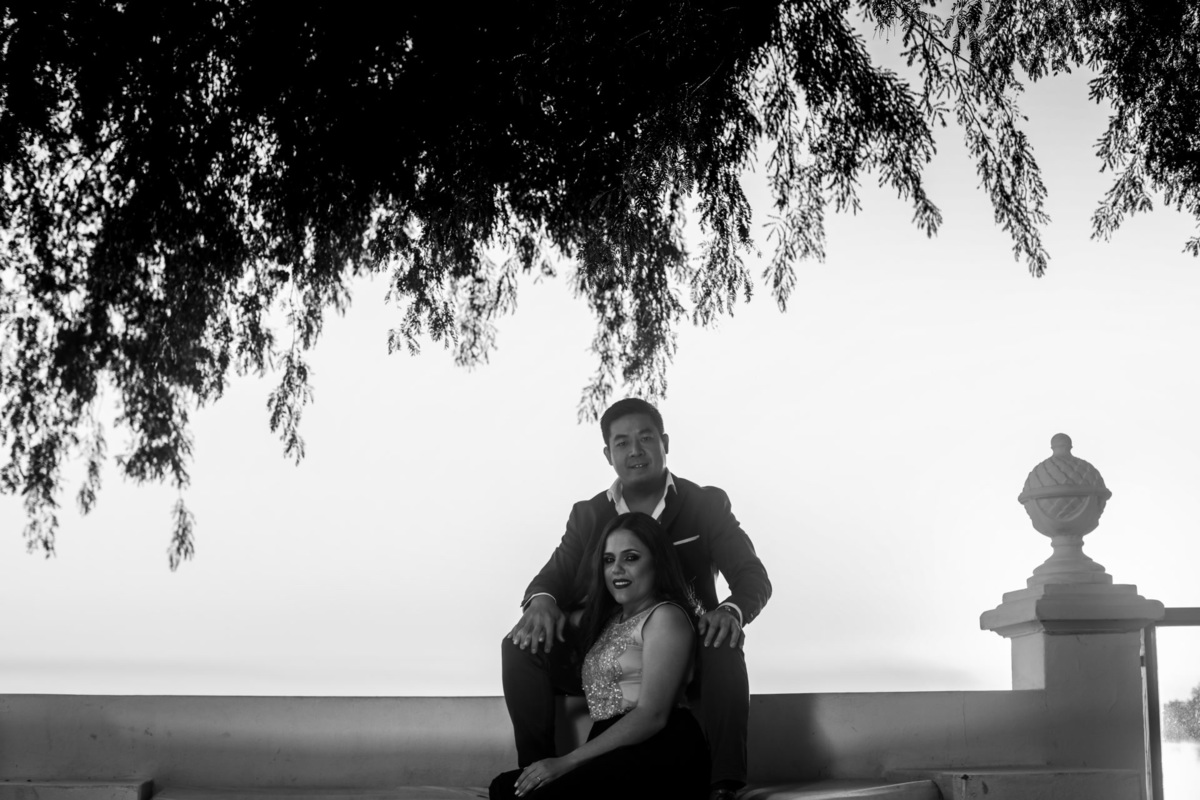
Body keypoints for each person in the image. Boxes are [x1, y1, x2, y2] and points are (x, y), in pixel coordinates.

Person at [502, 398, 771, 800]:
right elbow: (552, 576)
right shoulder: (588, 514)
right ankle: (534, 774)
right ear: (608, 454)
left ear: (665, 443)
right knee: (520, 644)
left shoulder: (705, 504)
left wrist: (730, 611)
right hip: (607, 649)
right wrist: (542, 600)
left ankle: (724, 783)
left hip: (681, 647)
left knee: (722, 639)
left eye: (645, 438)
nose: (635, 451)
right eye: (622, 442)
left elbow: (752, 577)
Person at [490, 513, 710, 799]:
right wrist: (543, 601)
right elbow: (547, 622)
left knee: (528, 794)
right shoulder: (606, 621)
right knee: (505, 787)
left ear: (657, 561)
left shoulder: (666, 616)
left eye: (631, 558)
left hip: (660, 747)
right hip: (611, 750)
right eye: (608, 560)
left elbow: (653, 715)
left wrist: (566, 761)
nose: (617, 569)